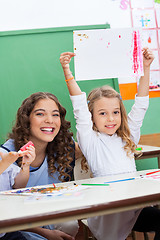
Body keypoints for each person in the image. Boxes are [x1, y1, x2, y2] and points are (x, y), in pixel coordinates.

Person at [60, 48, 160, 240]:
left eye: (115, 112)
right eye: (102, 113)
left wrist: (146, 69)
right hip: (108, 211)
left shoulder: (128, 136)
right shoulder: (90, 140)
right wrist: (67, 71)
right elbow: (79, 105)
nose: (111, 118)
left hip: (133, 208)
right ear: (92, 117)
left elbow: (141, 104)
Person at [0, 92, 79, 240]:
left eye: (55, 115)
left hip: (48, 214)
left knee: (70, 224)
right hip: (17, 226)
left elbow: (93, 149)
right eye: (40, 114)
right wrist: (45, 234)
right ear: (26, 120)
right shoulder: (7, 155)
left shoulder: (62, 146)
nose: (49, 120)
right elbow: (6, 213)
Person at [0, 149, 35, 240]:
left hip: (7, 230)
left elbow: (19, 185)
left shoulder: (2, 153)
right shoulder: (4, 160)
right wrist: (4, 163)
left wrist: (26, 165)